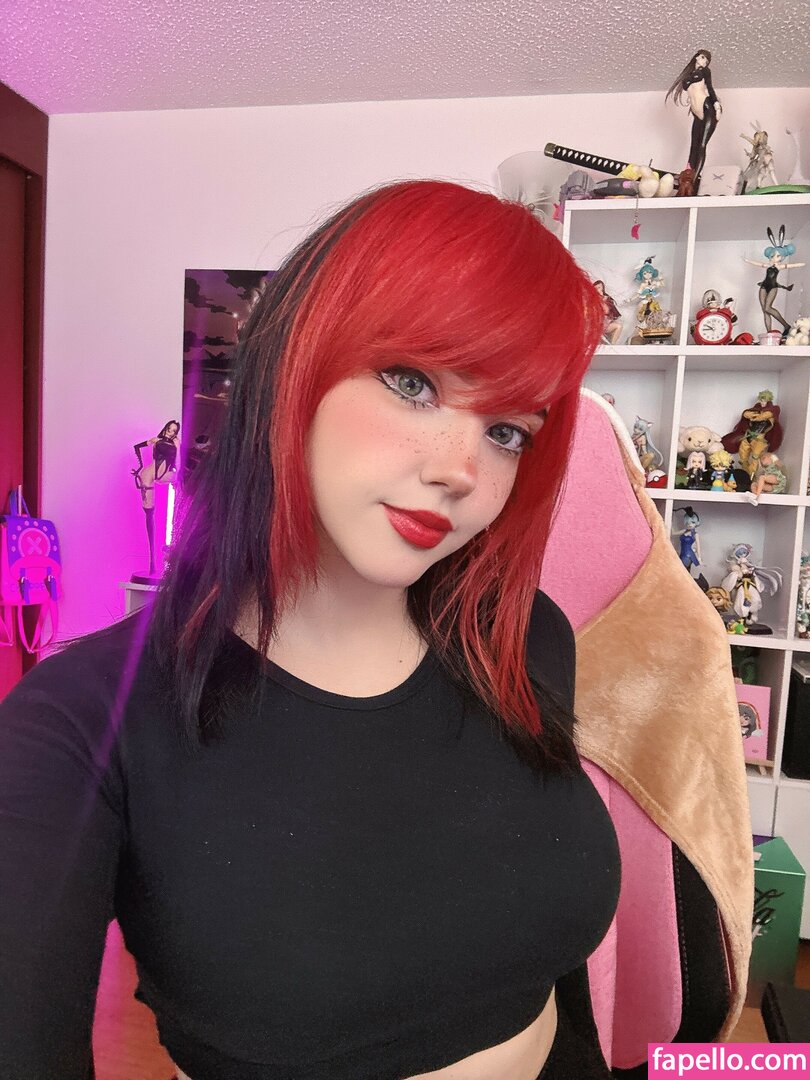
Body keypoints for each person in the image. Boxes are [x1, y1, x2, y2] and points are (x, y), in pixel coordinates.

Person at [0, 180, 620, 1080]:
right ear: (294, 360)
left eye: (508, 431)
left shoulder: (521, 640)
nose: (460, 471)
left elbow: (557, 972)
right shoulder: (78, 722)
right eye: (413, 384)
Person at [665, 49, 722, 190]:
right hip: (696, 112)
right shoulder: (690, 74)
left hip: (707, 107)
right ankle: (688, 173)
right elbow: (686, 85)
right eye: (703, 57)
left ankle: (695, 179)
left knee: (702, 144)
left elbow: (710, 88)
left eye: (706, 61)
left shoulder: (705, 71)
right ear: (696, 57)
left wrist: (717, 105)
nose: (704, 61)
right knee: (693, 145)